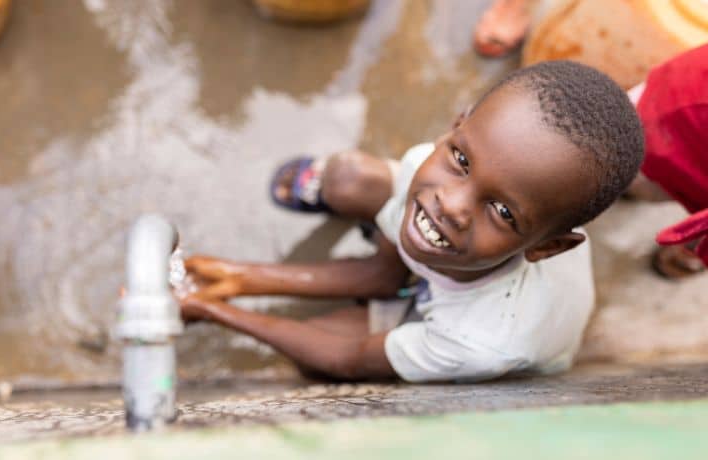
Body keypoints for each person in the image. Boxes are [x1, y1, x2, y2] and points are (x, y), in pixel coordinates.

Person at [180, 61, 644, 383]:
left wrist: (212, 310)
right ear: (456, 124)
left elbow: (346, 359)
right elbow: (382, 274)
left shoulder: (484, 342)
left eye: (503, 212)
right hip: (461, 270)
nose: (452, 204)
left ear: (545, 248)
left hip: (461, 315)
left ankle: (409, 297)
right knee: (349, 179)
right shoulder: (431, 170)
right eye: (461, 157)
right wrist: (234, 278)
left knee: (318, 358)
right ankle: (360, 218)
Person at [625, 44, 708, 278]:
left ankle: (684, 253)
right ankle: (684, 255)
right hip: (668, 127)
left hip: (675, 99)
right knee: (625, 170)